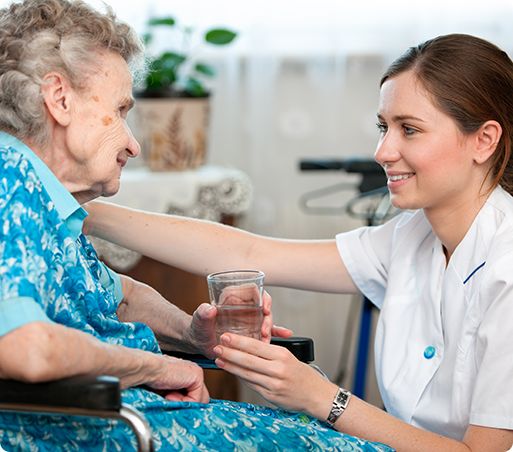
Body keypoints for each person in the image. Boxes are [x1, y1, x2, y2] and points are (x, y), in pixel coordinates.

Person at [85, 33, 513, 452]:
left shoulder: (505, 267)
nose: (383, 151)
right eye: (384, 127)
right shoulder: (410, 237)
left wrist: (320, 397)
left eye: (410, 130)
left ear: (484, 140)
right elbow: (249, 254)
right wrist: (85, 213)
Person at [0, 0, 397, 450]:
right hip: (100, 430)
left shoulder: (44, 199)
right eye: (120, 110)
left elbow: (119, 298)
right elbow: (23, 348)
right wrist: (159, 367)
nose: (133, 145)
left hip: (134, 418)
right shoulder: (9, 176)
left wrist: (193, 334)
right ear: (60, 99)